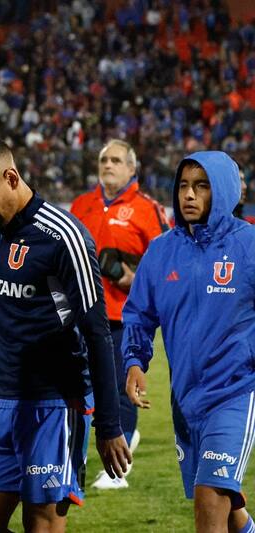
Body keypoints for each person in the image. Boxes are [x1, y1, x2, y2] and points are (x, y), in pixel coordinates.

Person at [0, 136, 130, 533]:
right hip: (0, 404)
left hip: (55, 405)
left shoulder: (63, 236)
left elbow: (97, 333)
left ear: (11, 177)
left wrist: (109, 425)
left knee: (43, 526)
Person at [123, 151, 255, 533]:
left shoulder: (248, 245)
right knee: (227, 508)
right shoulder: (162, 251)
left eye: (202, 186)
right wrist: (134, 361)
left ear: (225, 190)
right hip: (185, 401)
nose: (189, 196)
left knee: (209, 499)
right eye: (183, 186)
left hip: (236, 393)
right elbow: (139, 315)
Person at [70, 139, 169, 489]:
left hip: (122, 316)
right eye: (103, 160)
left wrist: (133, 280)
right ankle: (75, 458)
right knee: (78, 389)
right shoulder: (81, 205)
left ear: (131, 168)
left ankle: (119, 468)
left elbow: (166, 262)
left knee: (116, 388)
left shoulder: (147, 209)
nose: (108, 165)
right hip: (79, 316)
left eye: (115, 160)